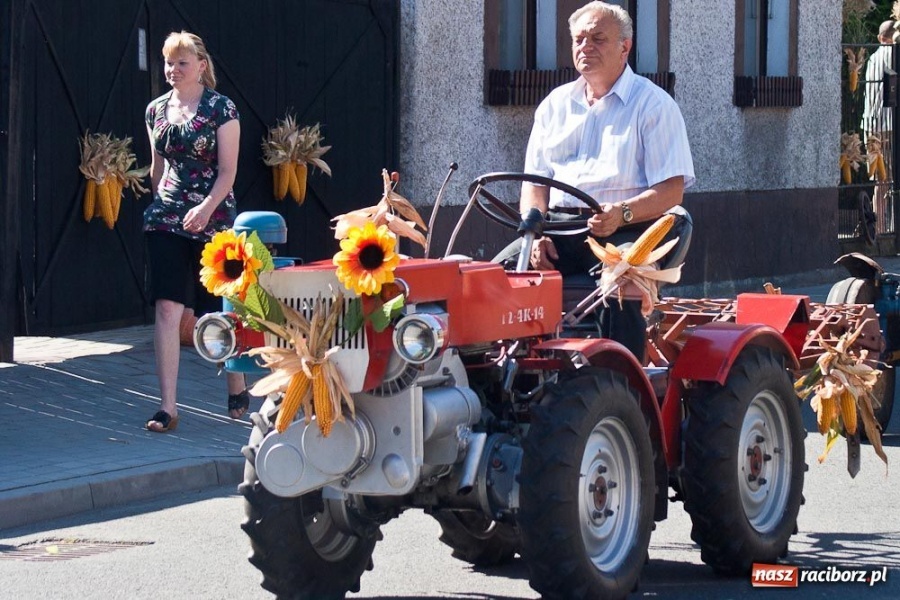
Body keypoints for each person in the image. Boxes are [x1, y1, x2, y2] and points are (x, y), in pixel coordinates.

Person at [519, 1, 695, 360]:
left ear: (625, 47)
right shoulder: (554, 106)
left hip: (632, 228)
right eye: (579, 39)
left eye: (598, 38)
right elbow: (535, 185)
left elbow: (671, 191)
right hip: (560, 229)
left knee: (621, 281)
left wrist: (622, 214)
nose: (586, 47)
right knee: (492, 279)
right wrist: (533, 236)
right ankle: (509, 382)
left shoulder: (653, 105)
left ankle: (623, 388)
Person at [143, 31, 249, 432]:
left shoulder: (222, 108)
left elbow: (228, 171)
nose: (172, 70)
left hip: (215, 219)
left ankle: (236, 384)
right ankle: (167, 407)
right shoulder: (155, 110)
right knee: (168, 309)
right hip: (167, 220)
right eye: (168, 63)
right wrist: (161, 204)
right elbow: (157, 168)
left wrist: (205, 208)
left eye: (181, 63)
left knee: (218, 310)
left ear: (201, 66)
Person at [862, 20, 895, 233]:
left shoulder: (873, 58)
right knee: (891, 179)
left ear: (879, 38)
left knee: (880, 181)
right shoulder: (893, 54)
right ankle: (890, 228)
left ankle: (881, 229)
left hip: (871, 124)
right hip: (889, 124)